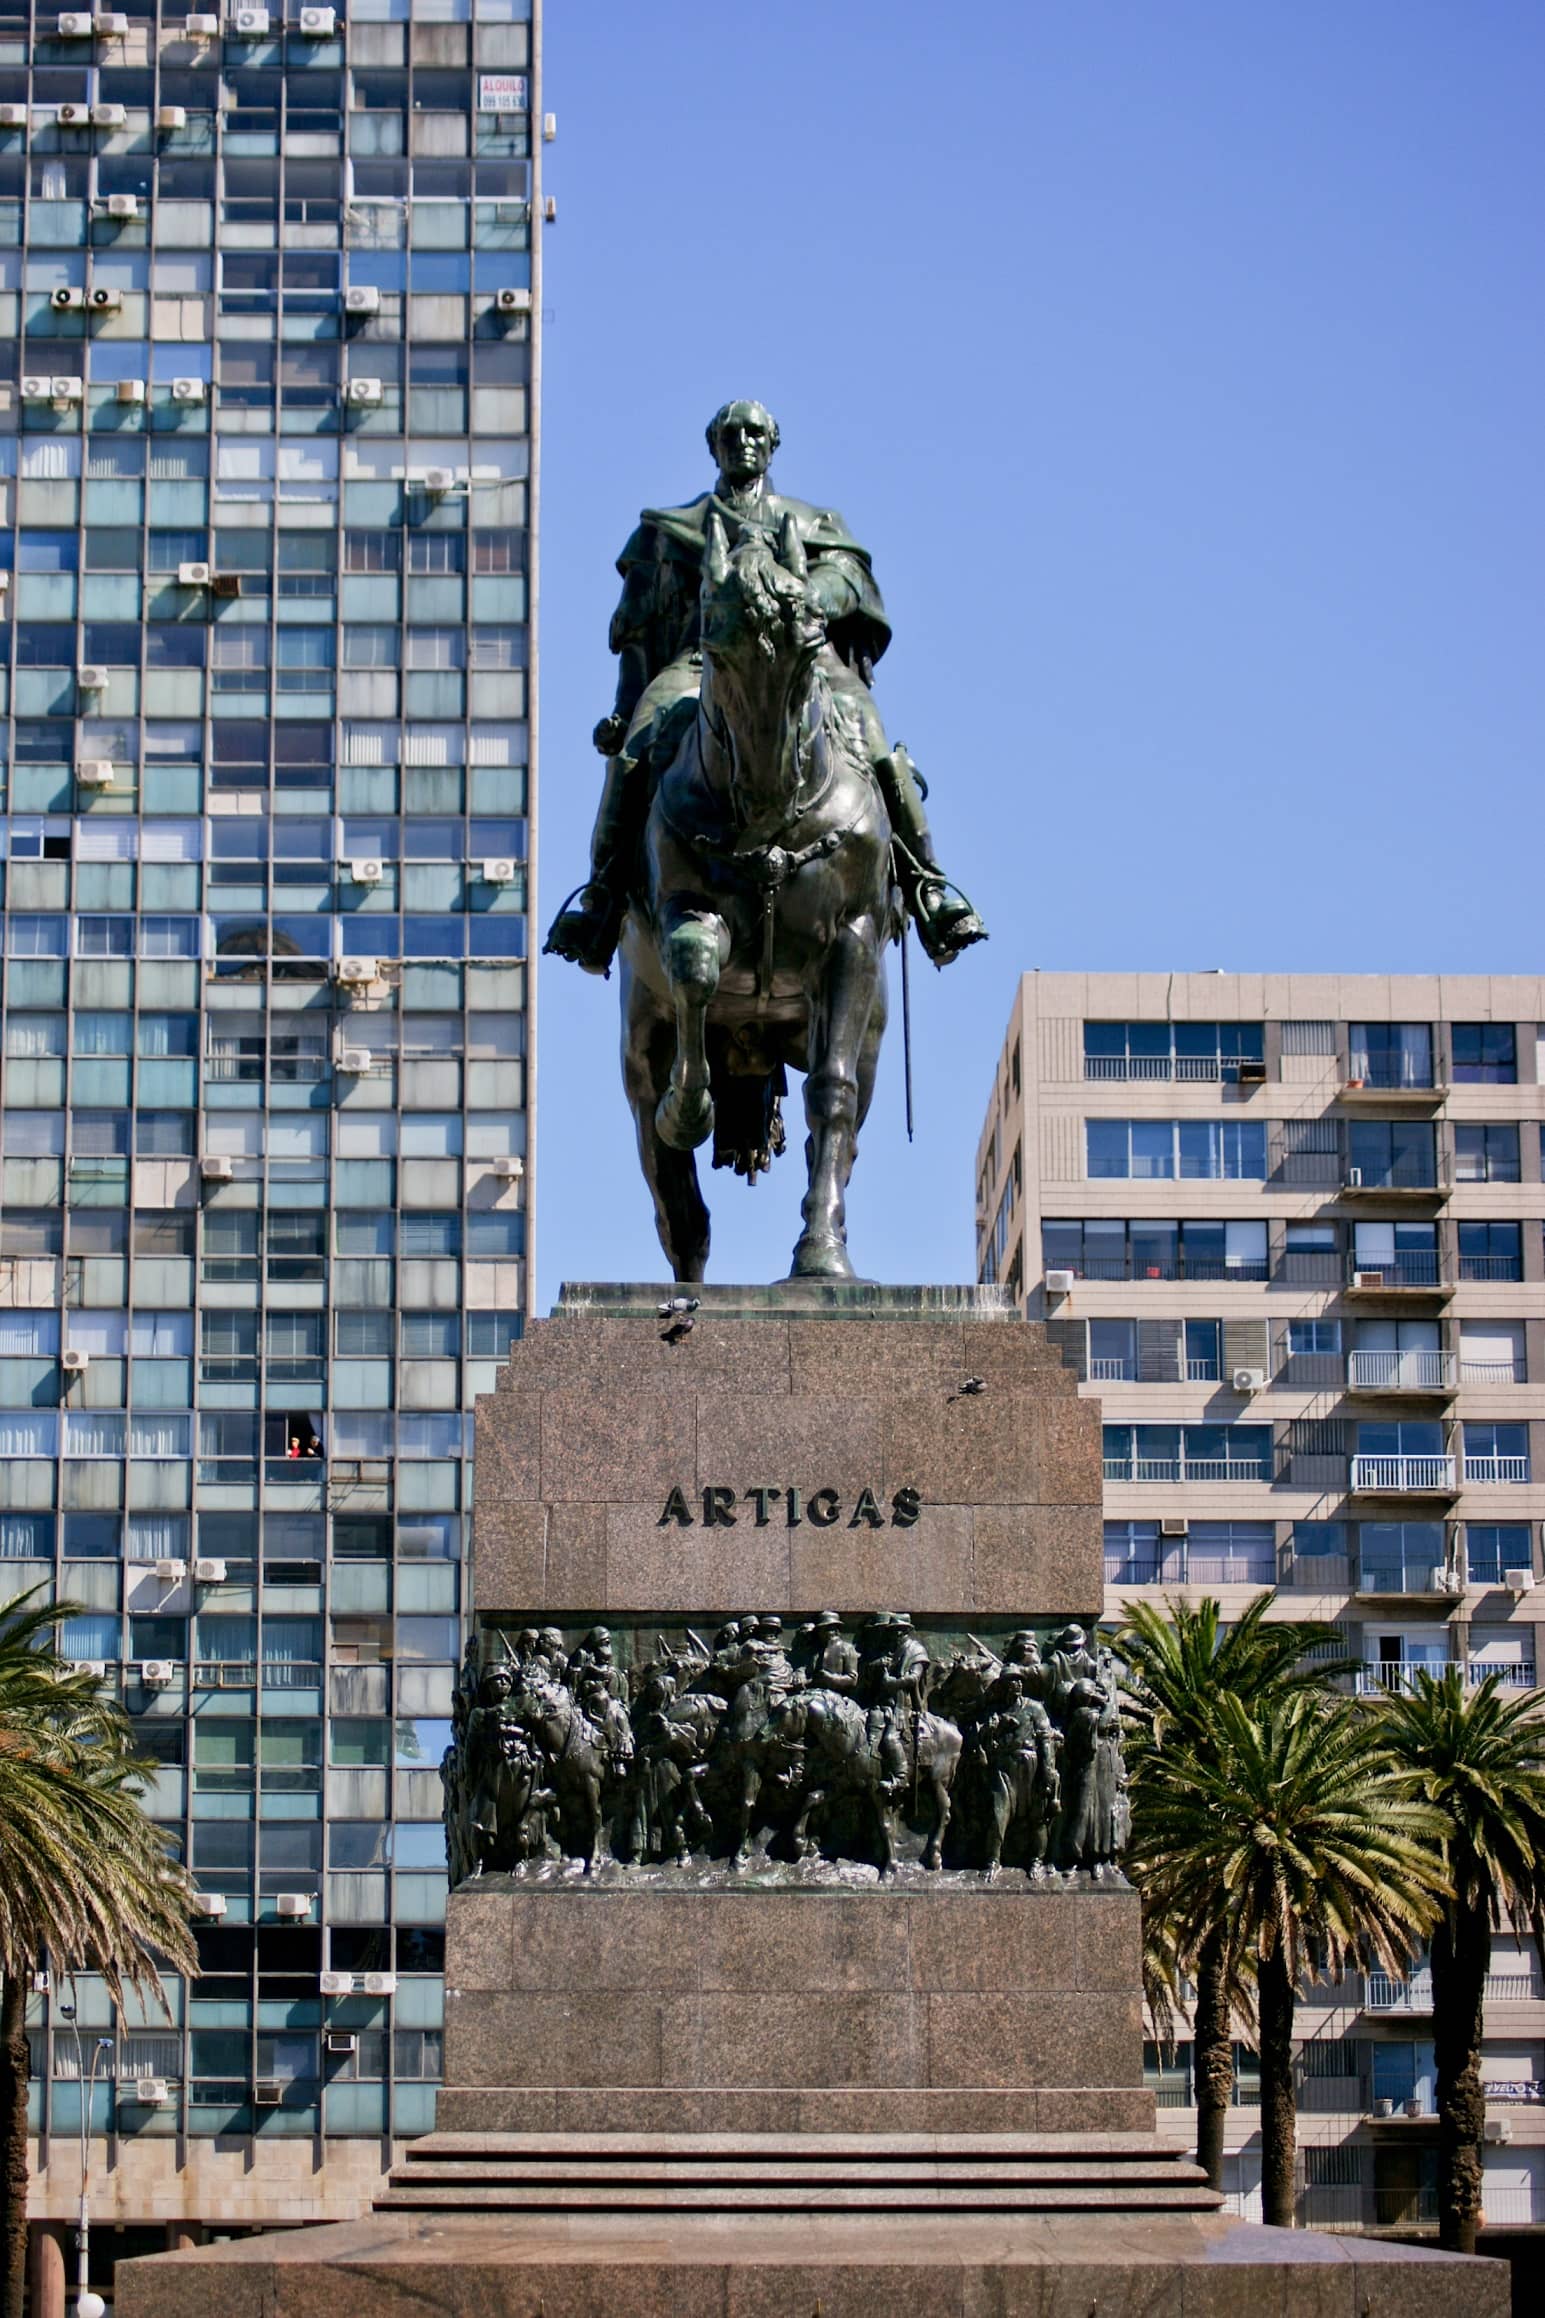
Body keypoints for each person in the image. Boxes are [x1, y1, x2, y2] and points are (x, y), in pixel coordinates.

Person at [545, 399, 985, 976]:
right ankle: (602, 897)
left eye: (755, 432)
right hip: (703, 661)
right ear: (714, 445)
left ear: (773, 443)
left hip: (808, 660)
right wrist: (627, 709)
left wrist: (807, 596)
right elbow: (638, 627)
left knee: (874, 741)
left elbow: (849, 583)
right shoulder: (671, 530)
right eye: (732, 433)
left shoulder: (813, 523)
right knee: (635, 754)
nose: (744, 442)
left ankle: (927, 883)